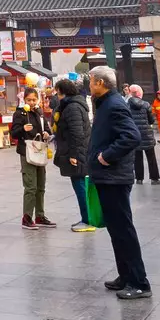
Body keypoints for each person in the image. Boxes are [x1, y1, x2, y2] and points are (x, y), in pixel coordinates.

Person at [86, 66, 149, 299]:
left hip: (114, 177)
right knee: (116, 230)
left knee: (124, 230)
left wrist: (106, 156)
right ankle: (125, 276)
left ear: (101, 83)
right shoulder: (106, 104)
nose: (90, 85)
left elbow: (132, 136)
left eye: (92, 81)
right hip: (107, 177)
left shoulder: (113, 105)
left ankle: (139, 282)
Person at [52, 78, 94, 232]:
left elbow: (77, 133)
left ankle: (88, 220)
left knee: (80, 186)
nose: (56, 95)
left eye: (57, 92)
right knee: (81, 185)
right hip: (79, 151)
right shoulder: (73, 105)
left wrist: (74, 155)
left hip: (78, 153)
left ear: (62, 92)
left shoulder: (72, 108)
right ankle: (87, 218)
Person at [9, 86, 54, 229]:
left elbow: (46, 129)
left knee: (41, 186)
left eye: (34, 99)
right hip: (27, 152)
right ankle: (27, 218)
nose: (32, 102)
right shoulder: (20, 113)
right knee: (30, 187)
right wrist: (23, 129)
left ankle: (40, 215)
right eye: (29, 100)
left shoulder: (39, 112)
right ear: (24, 99)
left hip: (40, 151)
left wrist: (47, 133)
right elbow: (13, 133)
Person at [126, 85, 160, 184]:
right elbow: (151, 120)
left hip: (134, 135)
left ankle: (139, 179)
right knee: (151, 157)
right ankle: (154, 178)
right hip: (146, 135)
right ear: (140, 93)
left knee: (137, 157)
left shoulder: (127, 105)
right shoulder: (146, 104)